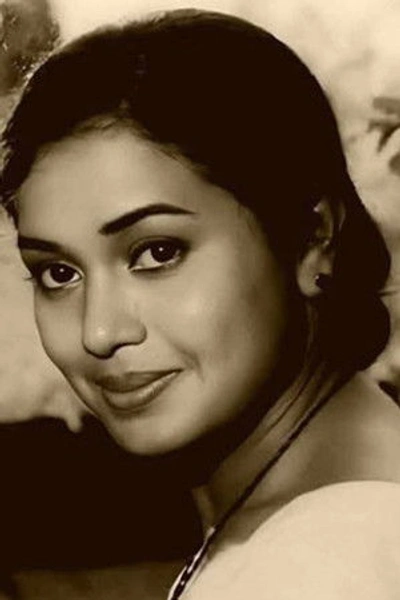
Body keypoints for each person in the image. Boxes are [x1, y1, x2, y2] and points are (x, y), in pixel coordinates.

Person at [2, 9, 400, 599]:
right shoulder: (336, 500)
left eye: (158, 252)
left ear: (312, 238)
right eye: (59, 273)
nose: (99, 332)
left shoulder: (321, 564)